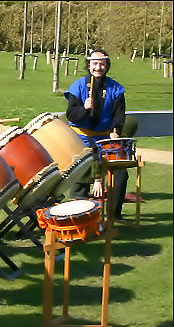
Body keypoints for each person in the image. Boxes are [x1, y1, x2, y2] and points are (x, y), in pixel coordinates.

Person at [64, 48, 128, 219]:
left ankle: (114, 216)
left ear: (107, 65)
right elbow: (71, 114)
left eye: (102, 63)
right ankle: (80, 215)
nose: (98, 67)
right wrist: (84, 109)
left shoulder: (116, 89)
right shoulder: (77, 86)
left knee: (121, 173)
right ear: (89, 65)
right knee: (81, 170)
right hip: (80, 138)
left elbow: (119, 116)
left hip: (105, 139)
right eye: (95, 63)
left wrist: (116, 132)